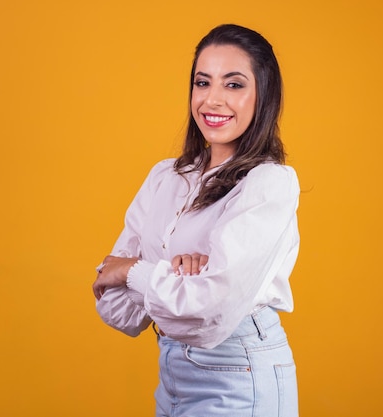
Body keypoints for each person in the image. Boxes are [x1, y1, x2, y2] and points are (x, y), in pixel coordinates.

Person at [92, 23, 300, 416]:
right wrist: (171, 276)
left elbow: (210, 314)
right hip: (171, 372)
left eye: (234, 85)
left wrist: (135, 270)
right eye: (203, 83)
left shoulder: (269, 183)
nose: (212, 100)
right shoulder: (165, 177)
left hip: (239, 373)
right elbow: (114, 303)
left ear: (263, 95)